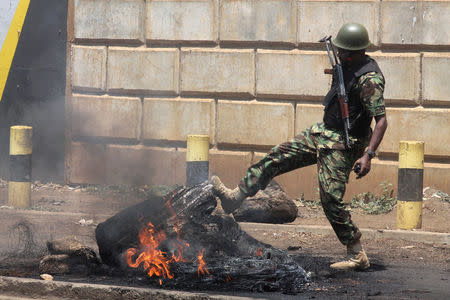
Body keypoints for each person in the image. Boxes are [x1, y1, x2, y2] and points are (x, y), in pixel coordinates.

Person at [211, 23, 388, 271]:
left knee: (330, 199)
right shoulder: (347, 65)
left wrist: (368, 155)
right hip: (323, 133)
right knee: (276, 158)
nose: (338, 53)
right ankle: (234, 198)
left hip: (343, 143)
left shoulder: (369, 80)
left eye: (342, 50)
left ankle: (357, 254)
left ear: (354, 52)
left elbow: (381, 121)